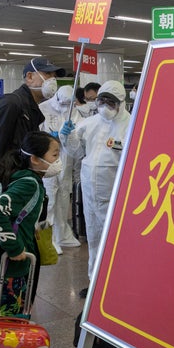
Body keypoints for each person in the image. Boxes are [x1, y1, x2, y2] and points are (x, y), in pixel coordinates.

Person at [0, 130, 60, 348]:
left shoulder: (27, 178)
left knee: (3, 310)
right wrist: (15, 248)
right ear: (35, 159)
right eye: (54, 154)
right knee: (11, 316)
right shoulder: (28, 183)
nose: (58, 160)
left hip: (7, 265)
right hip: (13, 266)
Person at [59, 80, 131, 298]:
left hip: (116, 196)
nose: (104, 106)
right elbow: (75, 152)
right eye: (102, 100)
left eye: (110, 102)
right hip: (90, 194)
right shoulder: (90, 123)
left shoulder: (131, 126)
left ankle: (120, 284)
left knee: (117, 242)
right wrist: (66, 136)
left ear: (121, 103)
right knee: (94, 238)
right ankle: (95, 283)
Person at [0, 57, 65, 179]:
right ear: (29, 77)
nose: (52, 80)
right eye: (47, 74)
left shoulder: (32, 108)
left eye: (54, 76)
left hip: (20, 180)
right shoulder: (11, 104)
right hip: (4, 184)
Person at [38, 85, 81, 252]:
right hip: (48, 158)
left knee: (64, 196)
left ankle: (62, 234)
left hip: (66, 157)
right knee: (49, 198)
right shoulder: (43, 108)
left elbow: (78, 129)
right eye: (63, 104)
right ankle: (48, 238)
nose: (65, 108)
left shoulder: (73, 109)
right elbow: (36, 133)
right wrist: (50, 137)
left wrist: (68, 134)